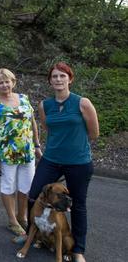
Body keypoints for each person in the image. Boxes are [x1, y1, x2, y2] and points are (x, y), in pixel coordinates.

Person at [24, 62, 98, 262]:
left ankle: (78, 250)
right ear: (50, 81)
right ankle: (32, 234)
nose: (58, 80)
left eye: (62, 76)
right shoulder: (44, 105)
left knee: (78, 205)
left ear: (70, 79)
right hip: (51, 159)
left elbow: (94, 132)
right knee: (34, 195)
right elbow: (49, 128)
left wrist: (74, 144)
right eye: (54, 76)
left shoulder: (82, 103)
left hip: (78, 162)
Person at [0, 68, 41, 237]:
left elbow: (32, 123)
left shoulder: (24, 99)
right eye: (1, 82)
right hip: (7, 153)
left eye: (7, 81)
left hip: (27, 152)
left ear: (13, 82)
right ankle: (12, 220)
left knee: (26, 187)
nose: (5, 85)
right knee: (8, 186)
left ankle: (22, 216)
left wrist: (37, 145)